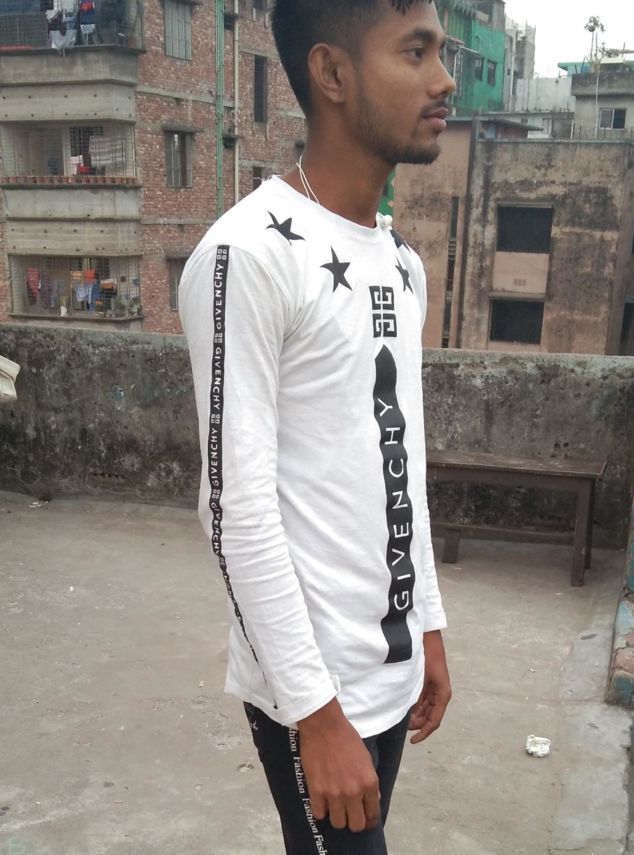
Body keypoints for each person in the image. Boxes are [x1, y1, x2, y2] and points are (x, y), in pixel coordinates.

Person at [179, 1, 456, 852]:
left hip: (390, 664)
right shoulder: (250, 255)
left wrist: (428, 624)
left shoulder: (401, 264)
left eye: (440, 53)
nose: (444, 80)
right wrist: (314, 713)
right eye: (416, 52)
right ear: (332, 73)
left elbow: (399, 457)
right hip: (315, 690)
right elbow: (233, 508)